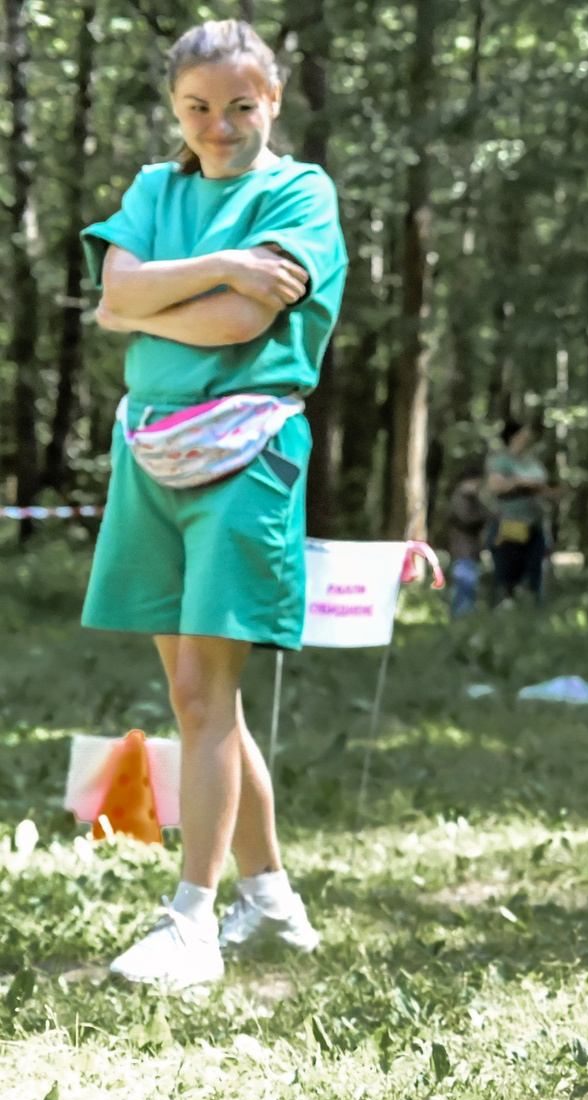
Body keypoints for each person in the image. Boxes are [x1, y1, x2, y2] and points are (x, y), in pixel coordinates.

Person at [83, 20, 347, 991]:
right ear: (174, 109)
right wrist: (226, 264)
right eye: (198, 107)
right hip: (150, 450)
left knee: (203, 695)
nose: (220, 125)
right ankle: (270, 900)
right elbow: (113, 298)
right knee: (200, 699)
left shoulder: (297, 192)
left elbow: (239, 321)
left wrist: (164, 294)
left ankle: (190, 923)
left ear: (272, 100)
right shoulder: (155, 190)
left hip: (248, 455)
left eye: (241, 105)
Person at [482, 419, 555, 605]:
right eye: (524, 434)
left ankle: (532, 606)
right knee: (509, 569)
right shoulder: (500, 461)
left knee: (534, 568)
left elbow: (543, 486)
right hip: (511, 523)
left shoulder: (533, 463)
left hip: (535, 523)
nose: (528, 438)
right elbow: (496, 486)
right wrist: (520, 483)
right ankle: (505, 605)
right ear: (513, 437)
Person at [445, 467, 488, 615]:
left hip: (471, 550)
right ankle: (460, 616)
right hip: (463, 550)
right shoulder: (461, 499)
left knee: (470, 587)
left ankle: (466, 616)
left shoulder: (472, 500)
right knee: (464, 586)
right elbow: (467, 519)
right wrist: (486, 516)